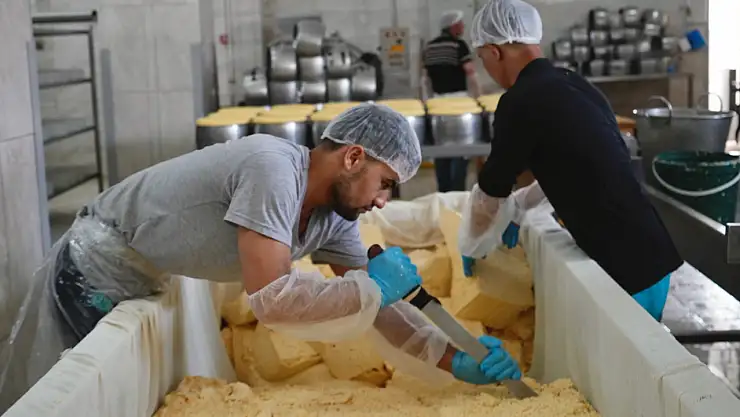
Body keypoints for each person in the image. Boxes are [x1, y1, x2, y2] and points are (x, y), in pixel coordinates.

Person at [0, 104, 520, 410]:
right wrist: (373, 287)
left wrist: (454, 357)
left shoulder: (332, 219)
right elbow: (271, 299)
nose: (384, 201)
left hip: (140, 269)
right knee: (75, 396)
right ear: (353, 156)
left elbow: (379, 308)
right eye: (385, 183)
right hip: (93, 266)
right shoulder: (273, 170)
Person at [458, 0, 683, 322]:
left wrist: (472, 243)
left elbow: (492, 187)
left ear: (494, 52)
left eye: (483, 59)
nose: (487, 69)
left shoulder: (519, 101)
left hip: (621, 268)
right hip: (651, 252)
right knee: (643, 347)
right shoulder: (575, 83)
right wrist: (519, 209)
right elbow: (580, 166)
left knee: (620, 352)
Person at [422, 10, 482, 193]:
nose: (463, 27)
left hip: (437, 105)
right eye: (460, 24)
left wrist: (426, 102)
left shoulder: (429, 47)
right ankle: (457, 193)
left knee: (441, 151)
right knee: (460, 151)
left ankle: (443, 193)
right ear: (453, 26)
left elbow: (425, 79)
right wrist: (478, 98)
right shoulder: (458, 45)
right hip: (459, 105)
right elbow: (470, 72)